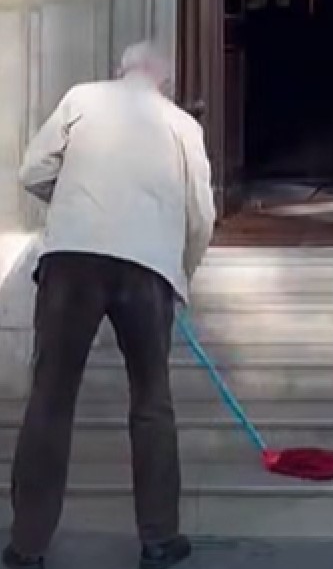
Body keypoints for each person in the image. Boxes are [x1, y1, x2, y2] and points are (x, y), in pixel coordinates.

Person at [4, 43, 216, 569]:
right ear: (162, 80)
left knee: (50, 398)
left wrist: (77, 201)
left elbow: (33, 170)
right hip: (147, 269)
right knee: (151, 401)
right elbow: (200, 215)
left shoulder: (82, 98)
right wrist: (180, 275)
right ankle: (159, 539)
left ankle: (27, 545)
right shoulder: (182, 126)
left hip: (73, 260)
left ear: (120, 70)